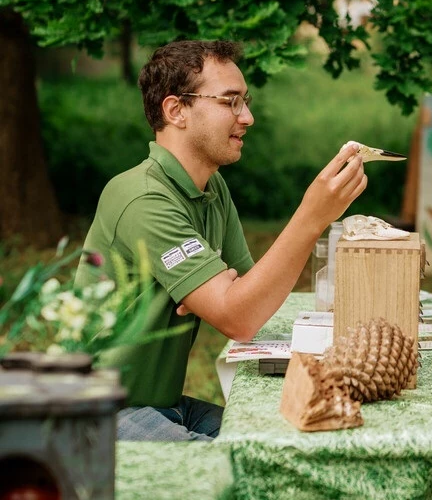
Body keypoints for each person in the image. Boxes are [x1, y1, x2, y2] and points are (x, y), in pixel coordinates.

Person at [74, 40, 367, 442]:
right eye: (230, 102)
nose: (247, 117)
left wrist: (223, 293)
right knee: (250, 471)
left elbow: (252, 301)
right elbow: (239, 315)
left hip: (164, 404)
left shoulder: (211, 189)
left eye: (246, 101)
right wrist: (312, 217)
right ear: (176, 110)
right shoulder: (141, 197)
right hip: (101, 413)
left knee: (286, 444)